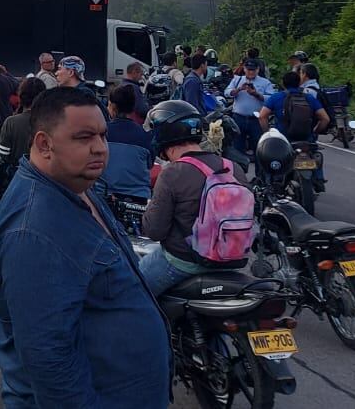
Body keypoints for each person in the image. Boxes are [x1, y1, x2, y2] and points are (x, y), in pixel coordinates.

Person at [0, 86, 170, 409]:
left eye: (102, 135)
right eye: (84, 138)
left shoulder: (77, 188)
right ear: (44, 144)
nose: (100, 148)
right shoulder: (33, 232)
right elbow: (49, 358)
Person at [140, 100, 251, 297]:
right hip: (231, 260)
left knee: (131, 289)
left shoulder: (173, 173)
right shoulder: (234, 168)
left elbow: (155, 231)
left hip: (186, 262)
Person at [261, 70, 330, 189]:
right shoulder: (308, 98)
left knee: (268, 157)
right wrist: (314, 132)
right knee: (312, 154)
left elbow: (262, 116)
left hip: (283, 138)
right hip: (305, 137)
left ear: (283, 83)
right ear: (299, 83)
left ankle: (270, 184)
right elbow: (325, 119)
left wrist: (267, 132)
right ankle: (319, 179)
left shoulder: (276, 97)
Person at [100, 84, 152, 198]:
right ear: (133, 108)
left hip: (104, 196)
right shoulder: (145, 136)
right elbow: (150, 164)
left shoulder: (100, 133)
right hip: (139, 198)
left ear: (112, 107)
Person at [224, 58, 275, 153]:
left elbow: (271, 98)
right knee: (237, 148)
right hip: (239, 118)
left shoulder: (265, 82)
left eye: (253, 70)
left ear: (258, 70)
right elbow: (227, 92)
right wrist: (239, 89)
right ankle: (239, 167)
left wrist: (256, 94)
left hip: (256, 119)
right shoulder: (237, 80)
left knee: (259, 148)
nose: (251, 72)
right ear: (244, 69)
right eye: (249, 69)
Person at [0, 76, 47, 160]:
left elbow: (2, 155)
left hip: (16, 171)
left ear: (21, 96)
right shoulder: (52, 121)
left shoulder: (11, 122)